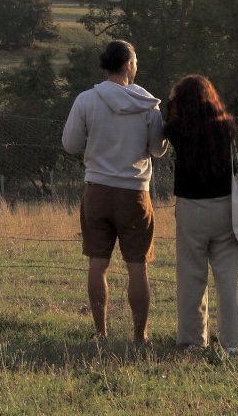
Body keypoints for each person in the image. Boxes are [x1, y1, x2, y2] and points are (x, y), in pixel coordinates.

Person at [62, 40, 168, 344]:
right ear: (129, 65)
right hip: (134, 192)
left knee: (98, 261)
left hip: (97, 189)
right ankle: (140, 335)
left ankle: (101, 332)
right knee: (137, 264)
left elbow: (70, 144)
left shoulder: (86, 100)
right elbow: (158, 150)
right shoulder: (149, 105)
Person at [164, 75, 238, 353]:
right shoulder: (227, 126)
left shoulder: (177, 130)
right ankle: (231, 342)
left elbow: (167, 119)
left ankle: (193, 340)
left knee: (191, 276)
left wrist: (173, 100)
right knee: (227, 279)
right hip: (225, 206)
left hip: (191, 207)